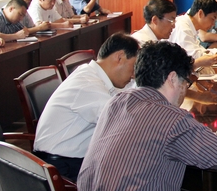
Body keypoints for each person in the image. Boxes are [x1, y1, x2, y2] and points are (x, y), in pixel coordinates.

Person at [77, 41, 217, 191]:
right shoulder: (172, 119)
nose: (185, 89)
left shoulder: (116, 103)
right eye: (186, 82)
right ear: (172, 78)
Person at [33, 33, 140, 182]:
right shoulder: (87, 84)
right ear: (119, 57)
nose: (134, 75)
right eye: (134, 67)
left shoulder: (95, 74)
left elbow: (129, 97)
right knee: (135, 171)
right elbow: (122, 120)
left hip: (73, 158)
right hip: (60, 166)